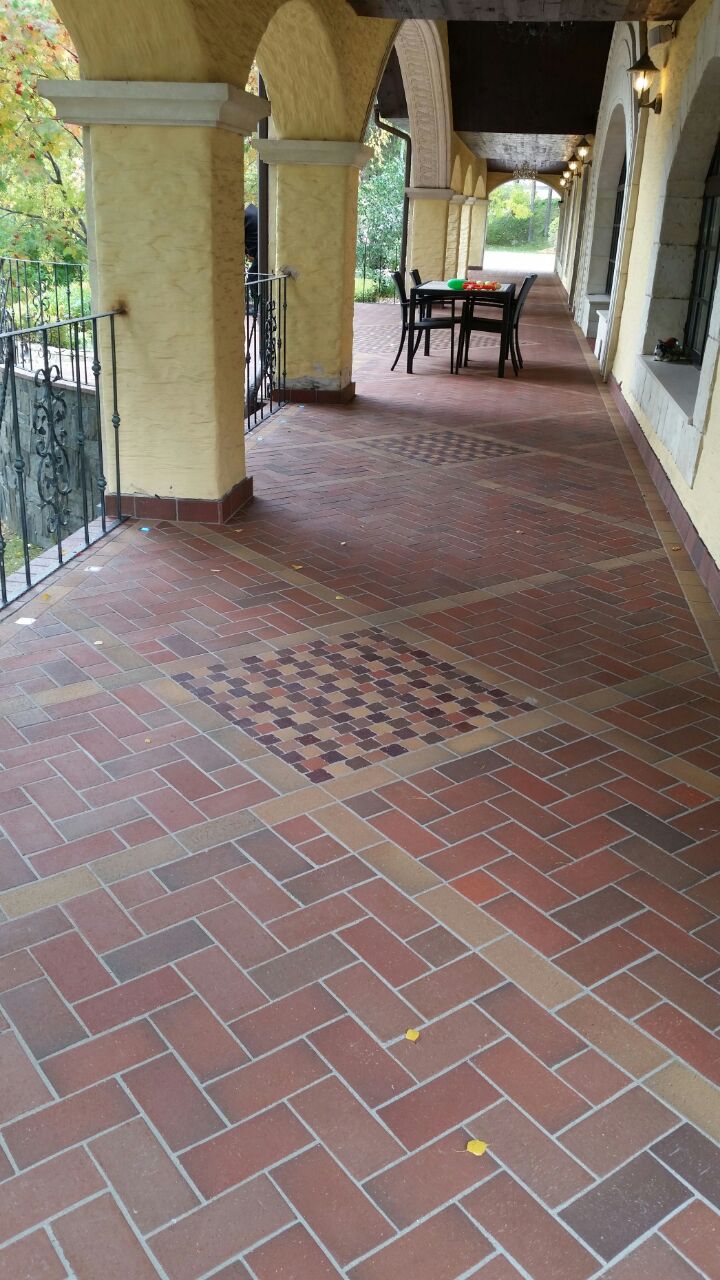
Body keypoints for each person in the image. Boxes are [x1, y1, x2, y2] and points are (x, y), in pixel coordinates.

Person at [244, 203, 259, 313]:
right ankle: (258, 305)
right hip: (261, 248)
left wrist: (248, 253)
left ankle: (257, 306)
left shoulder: (246, 215)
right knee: (254, 275)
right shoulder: (254, 212)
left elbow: (241, 237)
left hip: (259, 249)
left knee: (252, 276)